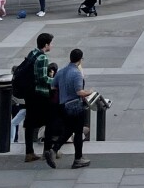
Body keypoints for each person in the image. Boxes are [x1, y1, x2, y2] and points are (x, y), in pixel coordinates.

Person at [45, 47, 92, 168]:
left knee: (69, 130)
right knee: (77, 132)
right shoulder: (76, 73)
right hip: (75, 106)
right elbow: (79, 92)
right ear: (80, 60)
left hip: (63, 106)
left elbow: (53, 86)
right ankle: (78, 158)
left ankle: (53, 150)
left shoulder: (61, 71)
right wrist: (90, 92)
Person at [22, 31, 54, 162]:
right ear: (46, 45)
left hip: (29, 93)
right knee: (50, 121)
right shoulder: (43, 58)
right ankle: (48, 150)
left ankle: (29, 152)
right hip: (39, 94)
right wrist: (53, 79)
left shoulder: (32, 53)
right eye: (51, 44)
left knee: (29, 123)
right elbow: (42, 79)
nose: (52, 46)